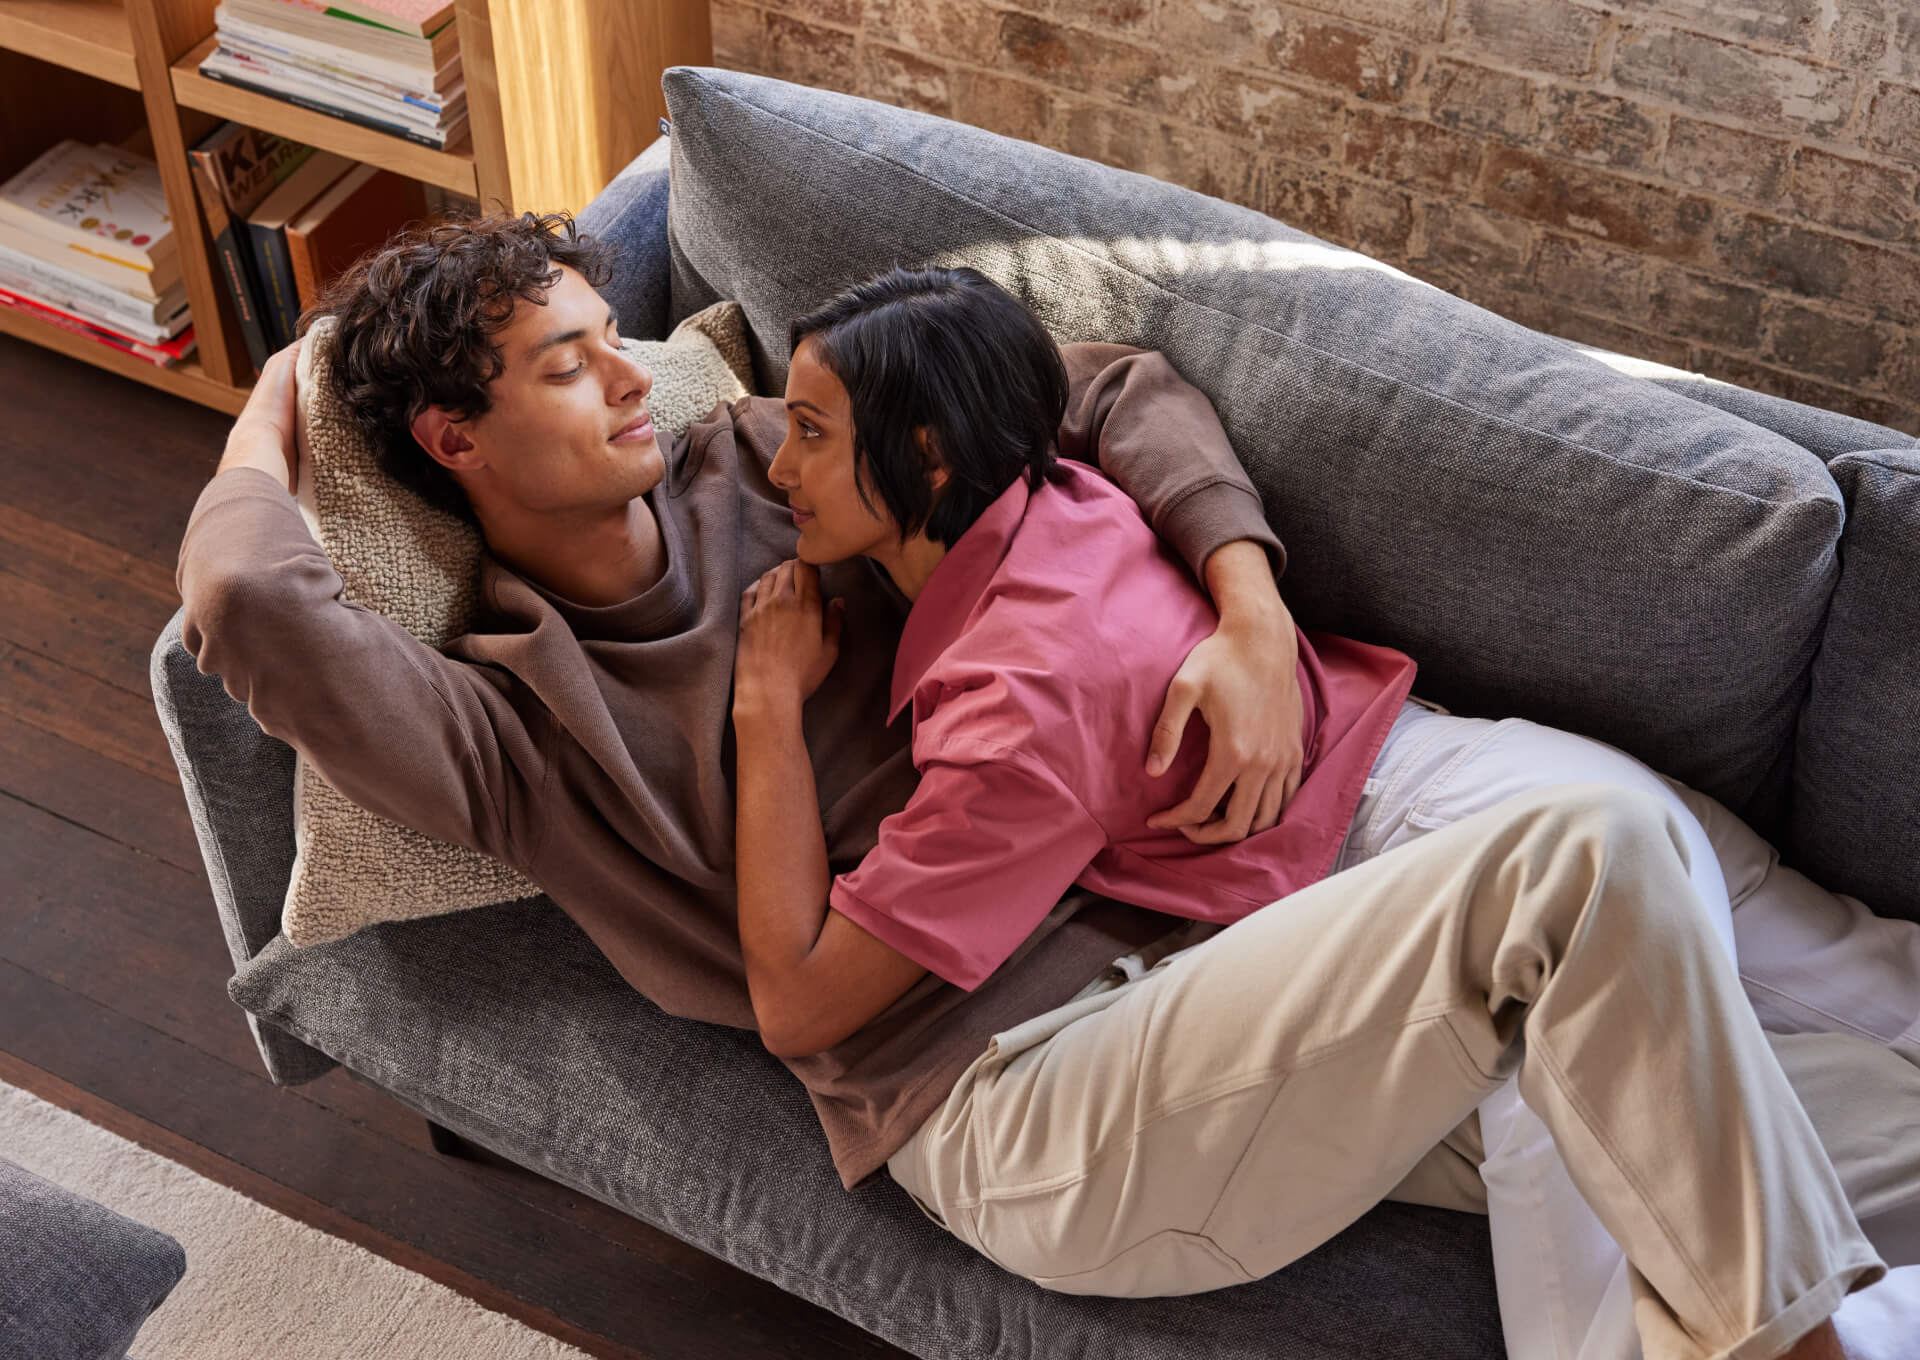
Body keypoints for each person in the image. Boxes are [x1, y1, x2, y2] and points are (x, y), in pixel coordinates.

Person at [728, 265, 1920, 1360]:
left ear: (934, 454)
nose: (779, 466)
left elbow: (1112, 373)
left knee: (1785, 1008)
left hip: (1399, 789)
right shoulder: (1018, 664)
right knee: (1613, 937)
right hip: (1389, 877)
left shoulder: (1044, 492)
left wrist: (1248, 609)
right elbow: (805, 1003)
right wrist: (767, 710)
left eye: (812, 432)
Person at [178, 211, 1318, 1212]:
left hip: (1190, 897)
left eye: (615, 342)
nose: (632, 381)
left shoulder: (763, 453)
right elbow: (245, 597)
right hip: (1004, 1058)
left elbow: (1106, 386)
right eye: (570, 368)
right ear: (454, 439)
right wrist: (271, 409)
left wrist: (1249, 609)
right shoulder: (514, 733)